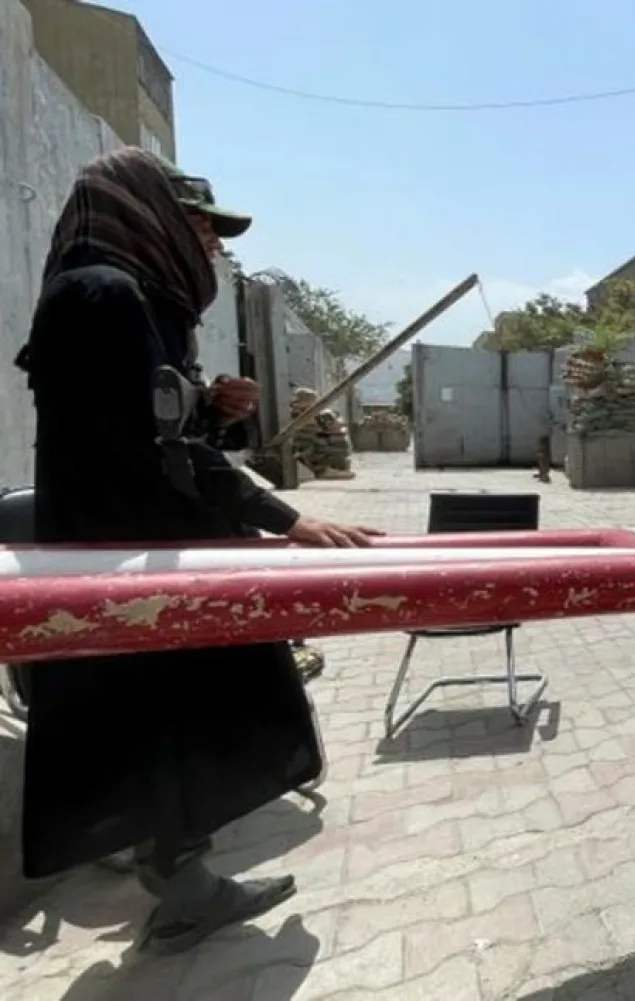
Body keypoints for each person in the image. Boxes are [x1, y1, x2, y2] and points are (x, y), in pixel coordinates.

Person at [14, 147, 380, 955]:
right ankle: (182, 889)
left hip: (142, 549)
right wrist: (284, 519)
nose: (213, 246)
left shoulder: (126, 299)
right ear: (143, 211)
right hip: (136, 562)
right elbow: (155, 452)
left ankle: (181, 883)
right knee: (187, 716)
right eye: (200, 226)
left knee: (171, 723)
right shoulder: (101, 297)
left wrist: (214, 408)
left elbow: (155, 431)